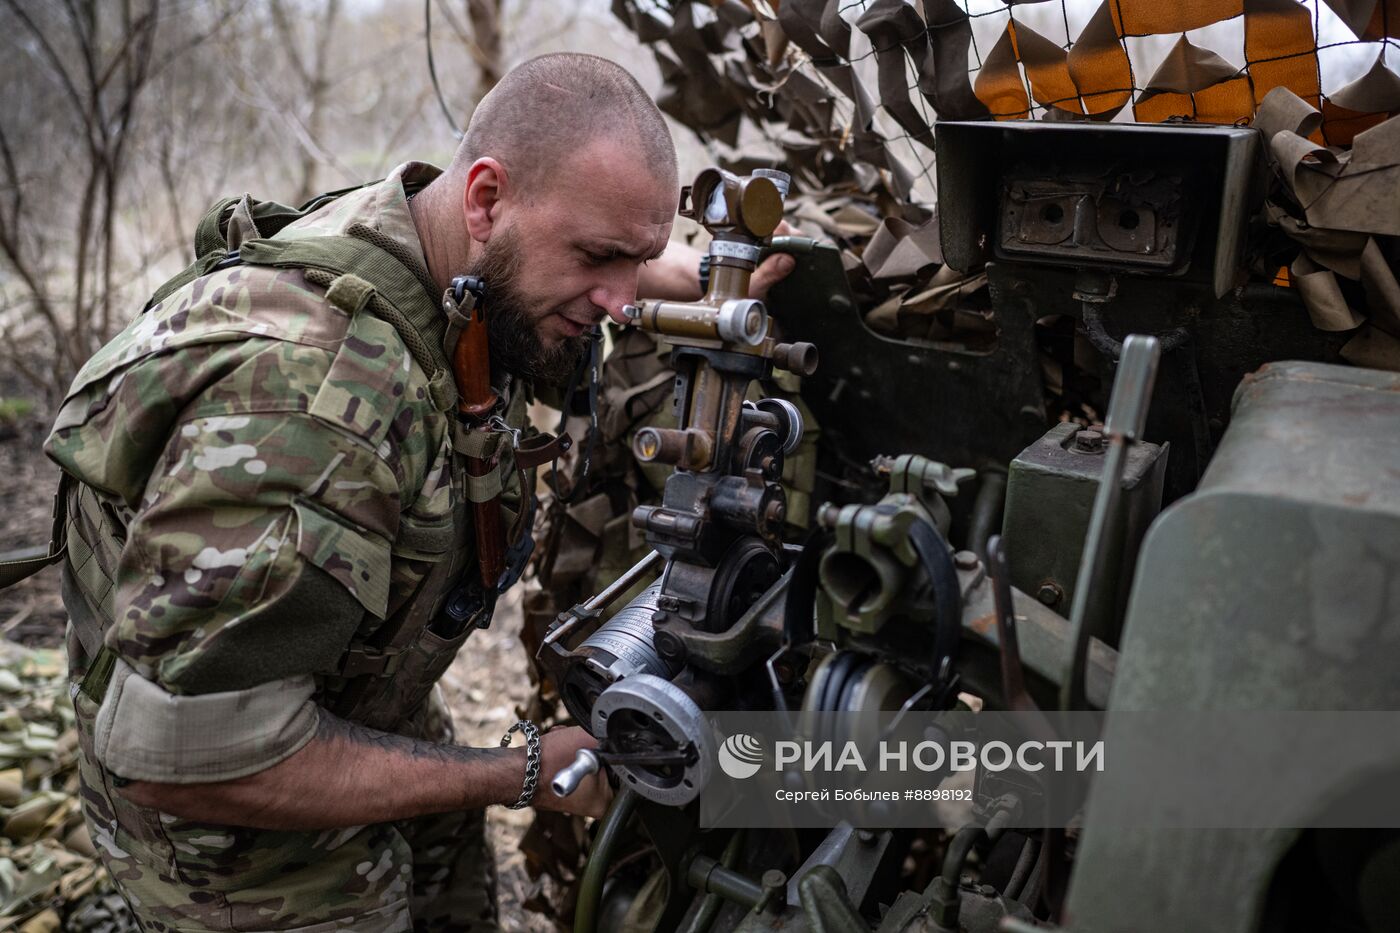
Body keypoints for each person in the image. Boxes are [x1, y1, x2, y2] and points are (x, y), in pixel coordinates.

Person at [41, 53, 795, 932]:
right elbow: (180, 756)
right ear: (484, 198)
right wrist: (512, 770)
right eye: (599, 257)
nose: (622, 302)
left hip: (357, 694)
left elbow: (585, 264)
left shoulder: (436, 237)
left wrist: (700, 281)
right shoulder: (313, 410)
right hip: (229, 819)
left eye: (639, 258)